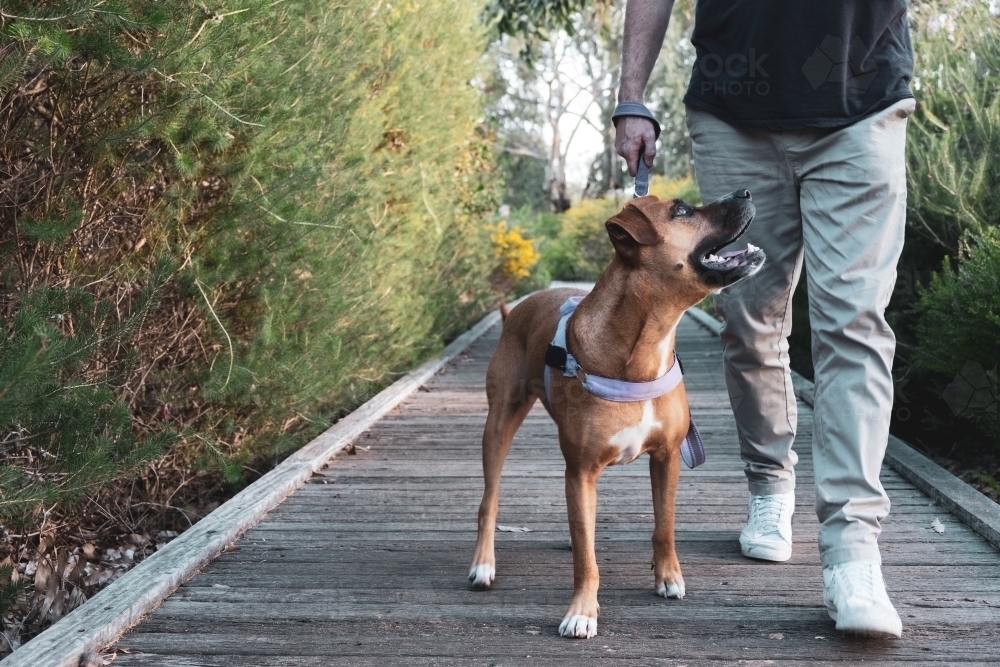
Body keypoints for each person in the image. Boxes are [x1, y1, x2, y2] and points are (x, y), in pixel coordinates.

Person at [614, 0, 915, 638]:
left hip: (861, 103)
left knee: (853, 326)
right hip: (734, 112)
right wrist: (631, 96)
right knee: (748, 323)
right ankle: (769, 485)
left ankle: (853, 551)